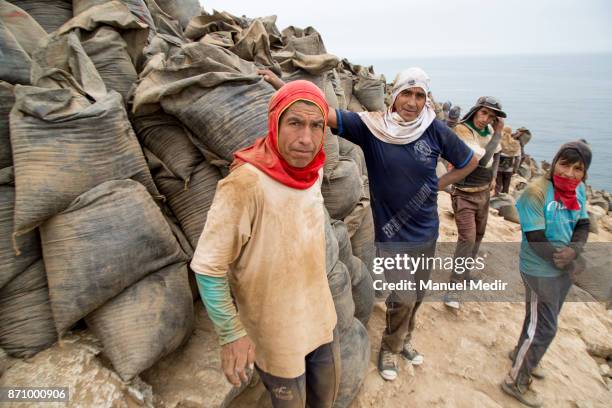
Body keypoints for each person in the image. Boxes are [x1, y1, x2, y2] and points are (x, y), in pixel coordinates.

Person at [259, 67, 478, 381]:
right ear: (395, 94)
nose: (413, 102)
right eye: (407, 93)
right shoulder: (373, 127)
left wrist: (440, 184)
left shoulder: (434, 129)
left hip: (427, 227)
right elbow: (326, 112)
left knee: (417, 293)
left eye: (419, 95)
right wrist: (282, 85)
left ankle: (406, 339)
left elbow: (469, 160)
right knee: (402, 296)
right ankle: (390, 346)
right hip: (392, 231)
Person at [191, 80, 339, 408]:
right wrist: (230, 333)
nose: (306, 138)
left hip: (319, 318)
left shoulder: (313, 172)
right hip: (276, 332)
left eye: (317, 126)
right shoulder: (245, 184)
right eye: (295, 123)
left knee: (325, 399)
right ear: (274, 122)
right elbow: (208, 267)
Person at [502, 141, 591, 407]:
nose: (569, 173)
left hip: (562, 267)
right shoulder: (536, 191)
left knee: (536, 319)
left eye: (578, 169)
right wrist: (569, 262)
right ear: (554, 162)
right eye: (565, 164)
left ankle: (521, 353)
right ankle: (515, 380)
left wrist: (574, 250)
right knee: (546, 328)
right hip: (539, 269)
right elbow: (536, 238)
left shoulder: (580, 189)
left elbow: (583, 224)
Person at [444, 96, 506, 310]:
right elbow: (482, 160)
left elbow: (497, 157)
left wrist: (494, 178)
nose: (485, 119)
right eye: (483, 113)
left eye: (491, 116)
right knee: (467, 239)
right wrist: (498, 133)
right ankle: (453, 287)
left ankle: (466, 272)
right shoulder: (463, 130)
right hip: (464, 194)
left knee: (478, 236)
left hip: (483, 194)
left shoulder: (488, 132)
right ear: (475, 111)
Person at [496, 125, 522, 194]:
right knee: (506, 187)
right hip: (509, 169)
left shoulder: (499, 142)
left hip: (498, 168)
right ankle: (505, 201)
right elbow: (518, 158)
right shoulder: (516, 143)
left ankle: (496, 200)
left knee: (497, 186)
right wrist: (515, 169)